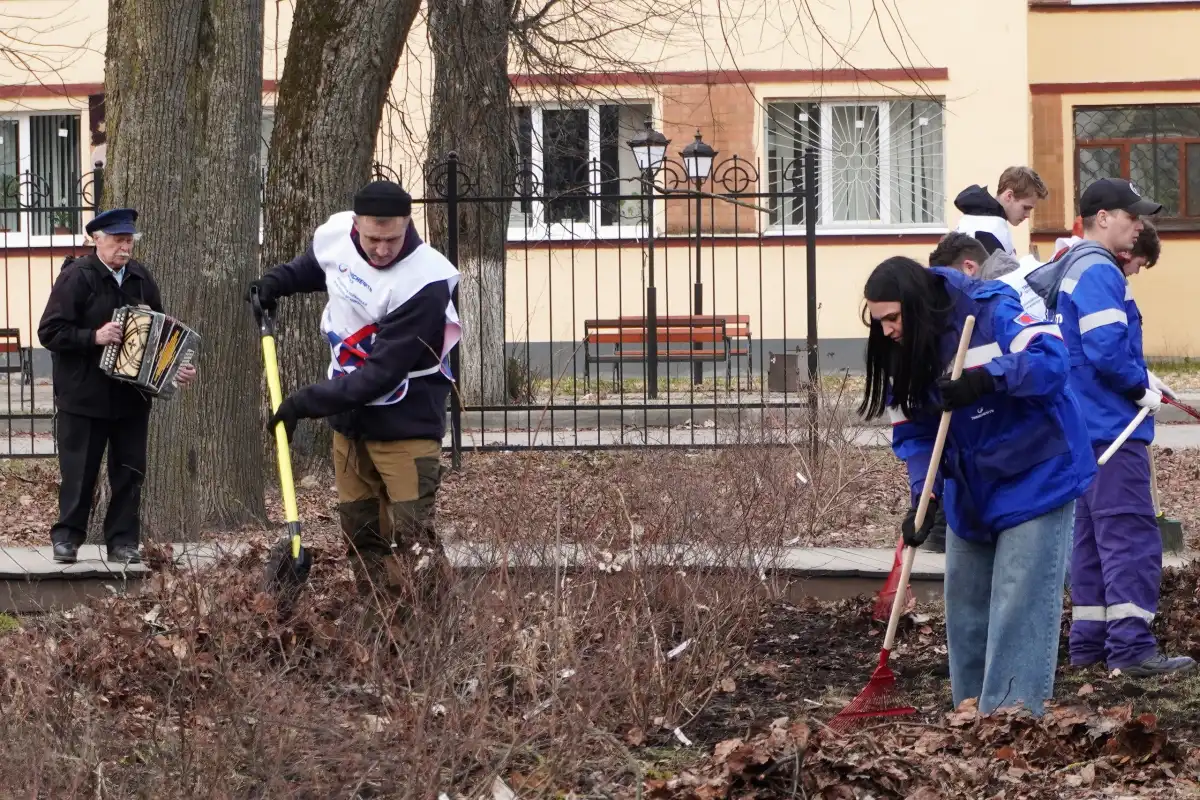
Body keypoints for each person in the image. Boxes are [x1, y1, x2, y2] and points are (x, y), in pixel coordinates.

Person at [861, 257, 1095, 715]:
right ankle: (970, 715)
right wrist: (923, 497)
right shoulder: (903, 350)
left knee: (1018, 602)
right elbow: (914, 433)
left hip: (1037, 473)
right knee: (966, 608)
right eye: (879, 321)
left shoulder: (990, 309)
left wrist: (987, 380)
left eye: (893, 318)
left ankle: (1011, 721)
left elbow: (1052, 361)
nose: (887, 330)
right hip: (971, 490)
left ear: (916, 304)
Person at [246, 180, 461, 621]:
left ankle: (435, 626)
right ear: (356, 226)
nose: (381, 250)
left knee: (411, 531)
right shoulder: (339, 235)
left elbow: (380, 375)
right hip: (350, 423)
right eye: (372, 239)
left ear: (408, 226)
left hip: (406, 422)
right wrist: (276, 282)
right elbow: (320, 267)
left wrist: (304, 403)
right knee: (360, 528)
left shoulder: (426, 282)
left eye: (392, 239)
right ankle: (380, 619)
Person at [1053, 181, 1193, 677]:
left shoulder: (1072, 267)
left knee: (1090, 543)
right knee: (1131, 540)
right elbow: (1108, 351)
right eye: (1133, 218)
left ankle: (1090, 646)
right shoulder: (1098, 271)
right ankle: (1132, 649)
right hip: (1113, 430)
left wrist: (1139, 377)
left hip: (1083, 432)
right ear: (1105, 216)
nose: (1138, 228)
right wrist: (1139, 387)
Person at [38, 208, 198, 564]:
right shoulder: (77, 277)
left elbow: (161, 334)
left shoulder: (141, 278)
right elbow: (49, 332)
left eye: (129, 241)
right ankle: (67, 538)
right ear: (97, 240)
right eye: (118, 241)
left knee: (129, 472)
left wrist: (176, 369)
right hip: (83, 396)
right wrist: (93, 336)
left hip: (130, 397)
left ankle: (123, 542)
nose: (125, 248)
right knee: (79, 473)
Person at [954, 166, 1049, 257]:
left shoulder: (984, 219)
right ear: (1009, 196)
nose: (1028, 215)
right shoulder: (987, 229)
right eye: (1025, 208)